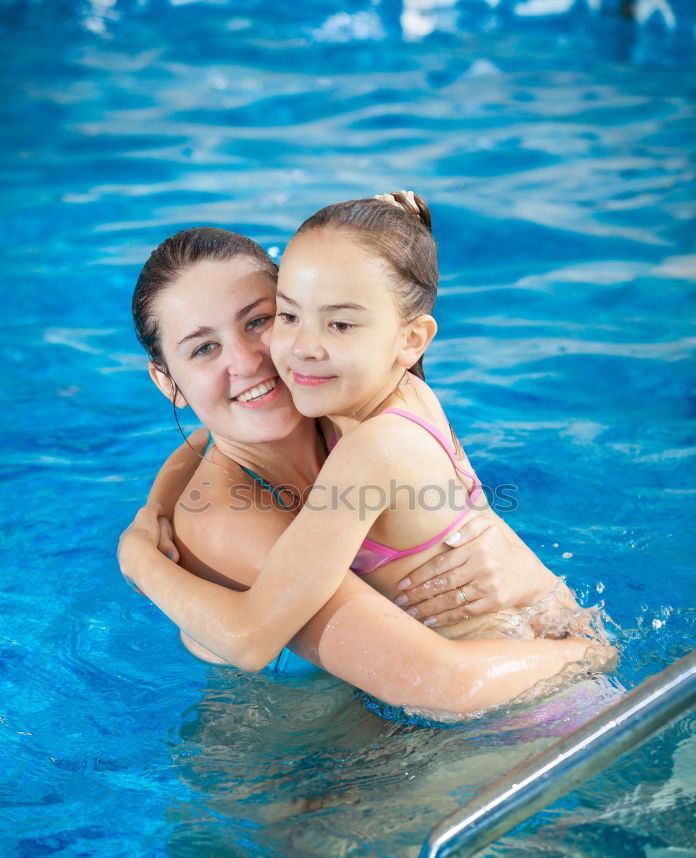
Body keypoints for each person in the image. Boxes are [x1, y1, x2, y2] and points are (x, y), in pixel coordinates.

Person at [118, 211, 610, 716]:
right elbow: (438, 683)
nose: (247, 362)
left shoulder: (340, 407)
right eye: (203, 348)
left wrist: (522, 571)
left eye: (261, 321)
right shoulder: (229, 520)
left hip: (470, 704)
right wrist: (139, 561)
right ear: (169, 383)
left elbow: (204, 436)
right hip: (306, 768)